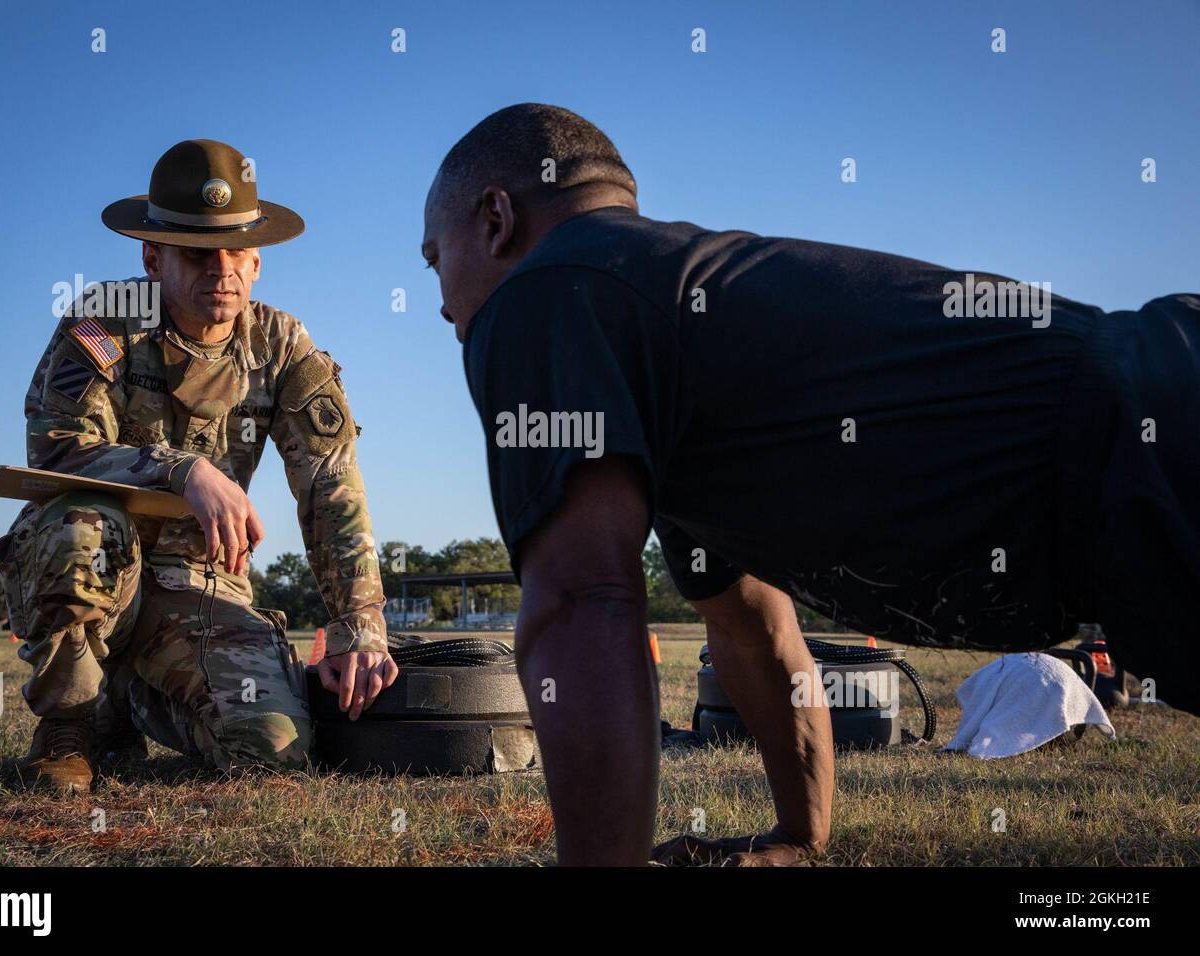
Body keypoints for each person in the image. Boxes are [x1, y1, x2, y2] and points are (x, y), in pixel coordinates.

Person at [421, 103, 1200, 865]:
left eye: (435, 259)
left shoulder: (547, 290)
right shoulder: (676, 344)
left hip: (1157, 428)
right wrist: (797, 834)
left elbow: (582, 600)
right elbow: (752, 632)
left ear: (496, 220)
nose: (445, 307)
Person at [0, 139, 395, 793]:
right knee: (81, 523)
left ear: (258, 260)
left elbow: (329, 482)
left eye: (236, 252)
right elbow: (58, 450)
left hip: (202, 588)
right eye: (198, 253)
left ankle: (127, 699)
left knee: (270, 748)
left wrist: (358, 626)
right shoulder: (105, 322)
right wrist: (180, 470)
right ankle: (68, 726)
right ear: (152, 257)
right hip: (100, 573)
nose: (221, 270)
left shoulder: (283, 346)